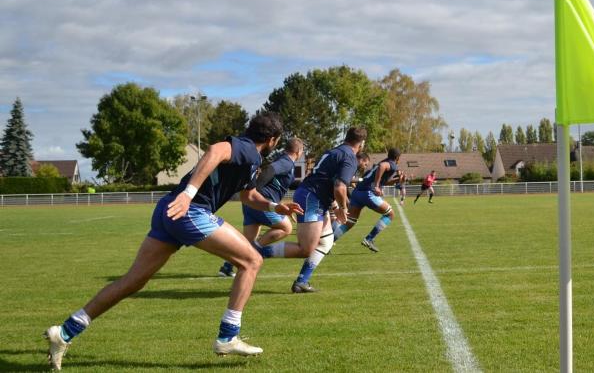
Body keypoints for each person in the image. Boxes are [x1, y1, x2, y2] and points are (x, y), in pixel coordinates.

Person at [42, 113, 303, 370]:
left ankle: (65, 332)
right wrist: (189, 194)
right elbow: (215, 150)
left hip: (170, 209)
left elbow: (248, 195)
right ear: (273, 139)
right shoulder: (246, 149)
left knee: (133, 280)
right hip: (189, 210)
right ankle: (227, 337)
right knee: (252, 260)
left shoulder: (251, 160)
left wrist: (274, 206)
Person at [253, 127, 366, 293]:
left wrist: (334, 206)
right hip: (312, 199)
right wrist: (342, 208)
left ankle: (301, 281)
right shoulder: (350, 157)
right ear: (361, 143)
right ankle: (256, 252)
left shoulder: (334, 151)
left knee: (326, 242)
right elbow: (339, 187)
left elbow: (326, 180)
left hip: (314, 197)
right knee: (305, 248)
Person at [217, 137, 305, 278]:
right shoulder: (286, 162)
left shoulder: (284, 160)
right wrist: (255, 190)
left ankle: (227, 267)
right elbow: (270, 170)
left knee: (247, 242)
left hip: (251, 204)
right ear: (299, 151)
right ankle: (257, 251)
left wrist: (305, 184)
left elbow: (286, 182)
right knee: (286, 228)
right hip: (262, 203)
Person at [333, 148, 402, 253]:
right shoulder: (391, 164)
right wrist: (376, 185)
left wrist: (398, 179)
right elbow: (382, 167)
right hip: (367, 193)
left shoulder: (385, 162)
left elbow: (385, 180)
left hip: (357, 192)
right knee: (390, 214)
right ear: (397, 158)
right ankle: (369, 239)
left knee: (350, 222)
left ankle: (328, 243)